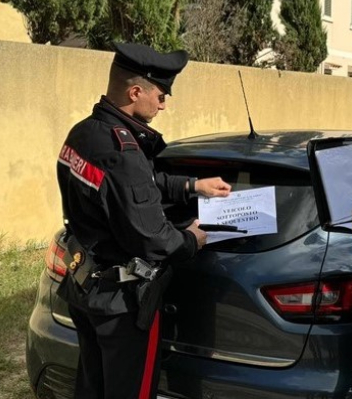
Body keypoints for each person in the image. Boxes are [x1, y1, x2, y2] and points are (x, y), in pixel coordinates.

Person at [56, 42, 232, 399]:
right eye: (161, 94)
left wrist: (193, 186)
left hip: (82, 286)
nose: (164, 104)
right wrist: (191, 240)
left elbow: (130, 189)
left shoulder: (84, 133)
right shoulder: (125, 154)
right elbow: (153, 237)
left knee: (93, 385)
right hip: (121, 304)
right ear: (135, 92)